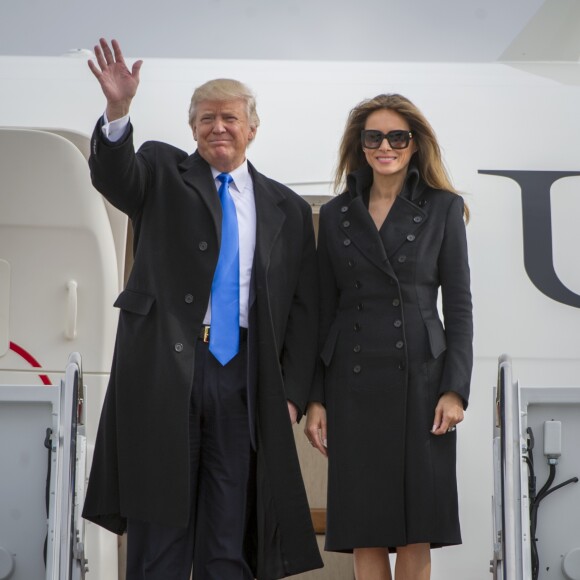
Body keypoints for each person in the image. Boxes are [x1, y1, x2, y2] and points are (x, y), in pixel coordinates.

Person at [82, 38, 322, 580]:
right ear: (192, 129)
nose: (219, 127)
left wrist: (291, 393)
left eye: (230, 118)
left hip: (244, 378)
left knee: (229, 529)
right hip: (170, 371)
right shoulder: (162, 171)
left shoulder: (284, 204)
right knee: (160, 526)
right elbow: (115, 177)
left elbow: (303, 311)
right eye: (207, 118)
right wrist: (119, 111)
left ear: (252, 129)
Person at [305, 93, 473, 580]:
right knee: (365, 529)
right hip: (352, 386)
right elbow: (323, 311)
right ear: (360, 145)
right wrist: (317, 399)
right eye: (374, 137)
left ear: (414, 144)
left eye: (397, 137)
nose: (386, 146)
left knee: (415, 529)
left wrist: (454, 389)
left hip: (422, 381)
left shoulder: (443, 208)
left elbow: (458, 308)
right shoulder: (336, 215)